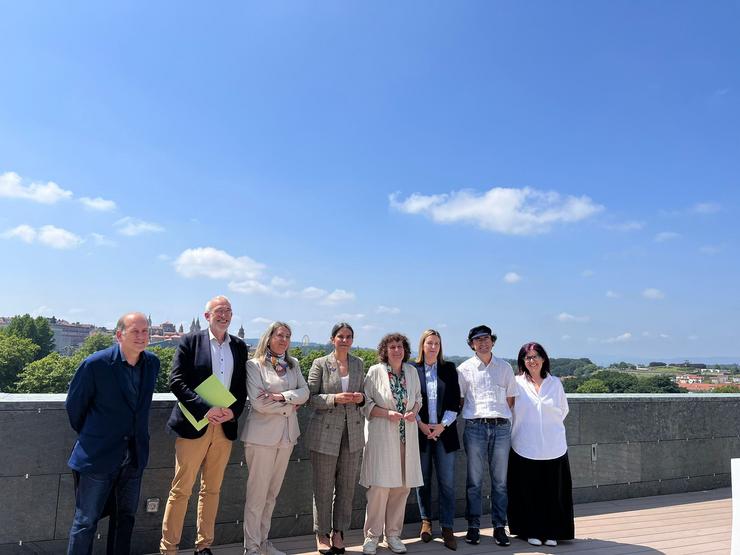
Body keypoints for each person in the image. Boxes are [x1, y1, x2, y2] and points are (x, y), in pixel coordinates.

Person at [160, 295, 248, 555]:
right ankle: (169, 548)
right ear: (207, 316)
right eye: (219, 311)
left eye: (229, 311)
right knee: (181, 489)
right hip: (193, 424)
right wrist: (205, 409)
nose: (225, 315)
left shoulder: (240, 347)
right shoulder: (190, 340)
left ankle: (204, 545)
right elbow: (176, 381)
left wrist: (232, 413)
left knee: (212, 490)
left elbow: (241, 387)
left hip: (223, 427)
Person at [66, 312, 160, 555]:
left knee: (125, 519)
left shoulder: (152, 363)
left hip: (134, 457)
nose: (141, 336)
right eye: (135, 331)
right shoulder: (96, 364)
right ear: (119, 335)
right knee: (85, 521)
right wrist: (96, 437)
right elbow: (75, 407)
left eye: (145, 331)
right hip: (98, 456)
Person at [241, 322, 309, 555]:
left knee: (271, 495)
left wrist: (281, 396)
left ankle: (263, 543)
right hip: (261, 439)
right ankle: (251, 547)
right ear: (269, 337)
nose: (284, 340)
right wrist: (291, 405)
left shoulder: (294, 364)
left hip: (287, 437)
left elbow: (305, 392)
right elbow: (259, 403)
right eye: (280, 335)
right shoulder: (254, 365)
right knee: (257, 496)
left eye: (288, 336)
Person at [360, 333, 423, 555]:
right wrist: (387, 413)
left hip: (407, 436)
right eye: (392, 347)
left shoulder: (412, 372)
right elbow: (365, 403)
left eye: (400, 346)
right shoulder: (375, 371)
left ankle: (393, 535)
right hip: (382, 436)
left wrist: (413, 412)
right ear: (385, 351)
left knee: (402, 487)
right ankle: (372, 536)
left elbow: (418, 399)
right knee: (379, 487)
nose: (397, 350)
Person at [456, 324, 518, 547]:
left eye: (486, 338)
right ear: (472, 344)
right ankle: (473, 527)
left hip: (501, 428)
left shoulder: (505, 367)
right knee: (474, 481)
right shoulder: (464, 369)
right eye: (478, 339)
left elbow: (511, 399)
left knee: (500, 482)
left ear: (493, 341)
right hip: (475, 427)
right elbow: (461, 400)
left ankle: (499, 527)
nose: (483, 342)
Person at [508, 342, 574, 547]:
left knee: (553, 493)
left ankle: (553, 532)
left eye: (536, 356)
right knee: (529, 492)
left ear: (543, 359)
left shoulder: (555, 383)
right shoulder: (516, 383)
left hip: (554, 446)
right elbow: (510, 411)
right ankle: (531, 531)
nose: (532, 360)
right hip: (524, 445)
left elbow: (563, 410)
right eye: (527, 357)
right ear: (522, 362)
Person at [307, 323, 366, 555]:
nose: (344, 340)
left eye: (349, 336)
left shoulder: (359, 363)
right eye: (340, 336)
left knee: (347, 487)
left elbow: (366, 396)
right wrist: (334, 398)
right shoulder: (319, 363)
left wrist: (360, 398)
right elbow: (310, 398)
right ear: (332, 339)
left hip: (352, 433)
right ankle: (321, 533)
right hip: (324, 433)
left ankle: (339, 532)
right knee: (322, 487)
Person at [411, 330, 461, 551]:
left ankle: (447, 527)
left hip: (444, 434)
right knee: (423, 482)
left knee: (447, 483)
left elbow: (454, 401)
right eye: (429, 343)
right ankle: (426, 522)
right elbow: (411, 400)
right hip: (420, 433)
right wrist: (422, 425)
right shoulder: (412, 369)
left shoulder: (449, 369)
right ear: (422, 345)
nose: (433, 347)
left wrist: (441, 426)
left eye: (437, 343)